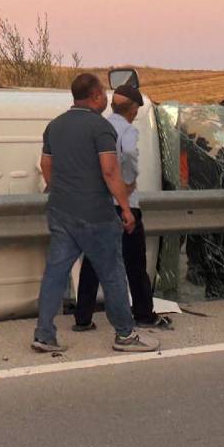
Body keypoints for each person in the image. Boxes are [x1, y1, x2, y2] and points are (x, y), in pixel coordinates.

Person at [35, 74, 158, 353]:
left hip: (61, 211)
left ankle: (44, 334)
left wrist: (60, 189)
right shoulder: (100, 128)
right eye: (103, 94)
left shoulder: (54, 126)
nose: (106, 99)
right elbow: (110, 170)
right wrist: (125, 208)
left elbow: (45, 165)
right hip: (96, 213)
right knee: (113, 272)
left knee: (55, 272)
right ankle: (125, 335)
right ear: (94, 96)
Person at [73, 84, 170, 332]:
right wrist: (128, 180)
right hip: (122, 205)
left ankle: (82, 318)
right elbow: (127, 153)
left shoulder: (98, 127)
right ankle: (144, 314)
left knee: (93, 263)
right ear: (134, 109)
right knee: (135, 263)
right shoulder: (126, 130)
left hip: (96, 206)